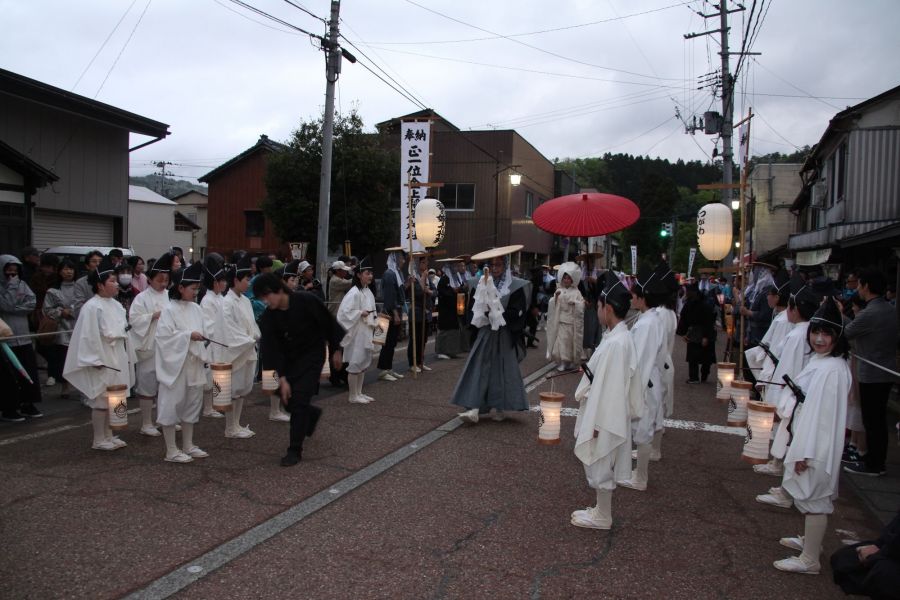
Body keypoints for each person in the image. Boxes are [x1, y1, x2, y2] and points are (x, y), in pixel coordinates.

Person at [772, 297, 851, 575]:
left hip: (816, 445)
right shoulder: (826, 362)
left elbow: (822, 418)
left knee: (814, 496)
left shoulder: (832, 370)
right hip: (811, 439)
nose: (818, 339)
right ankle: (811, 543)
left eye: (826, 334)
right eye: (815, 332)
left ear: (837, 337)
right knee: (811, 496)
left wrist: (805, 451)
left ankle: (810, 559)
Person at [570, 271, 643, 529]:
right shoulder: (616, 337)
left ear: (608, 309)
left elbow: (611, 387)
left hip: (605, 411)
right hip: (606, 408)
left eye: (600, 306)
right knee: (600, 460)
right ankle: (601, 510)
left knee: (600, 460)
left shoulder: (616, 343)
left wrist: (599, 424)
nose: (598, 310)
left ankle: (603, 515)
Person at [255, 273, 344, 466]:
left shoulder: (306, 300)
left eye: (267, 296)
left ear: (279, 291)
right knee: (288, 398)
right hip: (287, 360)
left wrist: (337, 349)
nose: (265, 301)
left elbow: (328, 323)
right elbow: (270, 350)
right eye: (262, 298)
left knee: (300, 398)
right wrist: (282, 378)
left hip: (312, 356)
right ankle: (310, 415)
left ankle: (294, 449)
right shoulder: (269, 317)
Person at [756, 276, 821, 504]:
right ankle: (786, 485)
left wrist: (776, 394)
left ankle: (788, 492)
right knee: (792, 439)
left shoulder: (797, 334)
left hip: (793, 394)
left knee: (792, 439)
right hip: (800, 394)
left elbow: (787, 370)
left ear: (795, 309)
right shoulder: (806, 332)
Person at [452, 245, 531, 424]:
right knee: (478, 366)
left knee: (502, 370)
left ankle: (500, 407)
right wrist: (483, 312)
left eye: (499, 265)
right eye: (492, 265)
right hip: (486, 332)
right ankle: (473, 407)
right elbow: (472, 310)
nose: (495, 269)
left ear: (505, 267)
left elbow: (517, 311)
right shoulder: (480, 284)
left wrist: (496, 311)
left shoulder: (515, 286)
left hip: (503, 334)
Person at [63, 256, 133, 450]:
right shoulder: (91, 307)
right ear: (100, 285)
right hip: (101, 358)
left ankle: (110, 434)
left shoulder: (117, 305)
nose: (117, 284)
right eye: (112, 281)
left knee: (115, 397)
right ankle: (99, 438)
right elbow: (87, 336)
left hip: (116, 355)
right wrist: (93, 359)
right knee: (100, 400)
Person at [843, 268, 899, 477]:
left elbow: (848, 332)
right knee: (877, 420)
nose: (857, 287)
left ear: (866, 286)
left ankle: (874, 464)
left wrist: (840, 315)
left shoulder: (870, 312)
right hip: (885, 369)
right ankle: (874, 459)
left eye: (859, 284)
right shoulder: (889, 309)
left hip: (872, 371)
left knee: (872, 420)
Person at [154, 262, 209, 463]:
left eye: (197, 289)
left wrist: (203, 337)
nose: (195, 292)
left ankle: (188, 444)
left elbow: (203, 330)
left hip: (193, 363)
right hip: (176, 365)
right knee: (171, 404)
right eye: (193, 289)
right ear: (180, 288)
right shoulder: (169, 310)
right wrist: (188, 336)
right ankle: (171, 449)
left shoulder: (196, 308)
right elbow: (163, 338)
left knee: (192, 403)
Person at [618, 267, 667, 492]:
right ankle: (637, 473)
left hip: (644, 380)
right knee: (642, 427)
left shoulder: (647, 323)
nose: (632, 297)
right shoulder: (651, 317)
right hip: (649, 379)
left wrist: (631, 383)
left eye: (635, 294)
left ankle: (641, 477)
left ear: (643, 297)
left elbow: (641, 358)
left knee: (643, 428)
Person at [128, 253, 174, 437]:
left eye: (166, 280)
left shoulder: (170, 296)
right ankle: (146, 423)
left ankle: (164, 418)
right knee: (147, 385)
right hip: (149, 346)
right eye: (159, 280)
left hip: (167, 346)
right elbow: (134, 319)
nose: (163, 284)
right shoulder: (142, 298)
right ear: (150, 279)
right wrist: (152, 316)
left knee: (166, 385)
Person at [221, 253, 265, 433]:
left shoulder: (246, 300)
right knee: (233, 389)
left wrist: (255, 335)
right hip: (237, 350)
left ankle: (237, 423)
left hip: (248, 348)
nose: (249, 283)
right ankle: (230, 426)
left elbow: (252, 324)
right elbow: (228, 329)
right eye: (246, 279)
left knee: (242, 389)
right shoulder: (227, 302)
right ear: (236, 280)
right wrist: (248, 339)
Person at [0, 254, 43, 417]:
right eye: (8, 272)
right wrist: (12, 288)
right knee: (8, 376)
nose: (12, 275)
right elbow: (6, 304)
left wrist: (16, 308)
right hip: (6, 339)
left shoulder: (23, 284)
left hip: (23, 336)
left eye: (15, 271)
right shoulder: (6, 286)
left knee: (29, 371)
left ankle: (28, 403)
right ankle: (9, 407)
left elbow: (31, 303)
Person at [830, 509, 900, 598]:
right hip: (890, 550)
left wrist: (876, 555)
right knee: (842, 557)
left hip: (892, 559)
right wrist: (877, 546)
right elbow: (890, 533)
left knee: (883, 572)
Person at [337, 260, 378, 404]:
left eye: (371, 273)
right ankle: (352, 395)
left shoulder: (367, 291)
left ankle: (359, 393)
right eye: (367, 273)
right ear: (359, 275)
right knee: (356, 362)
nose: (370, 276)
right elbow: (343, 313)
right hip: (357, 331)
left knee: (364, 362)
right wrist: (360, 312)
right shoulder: (354, 292)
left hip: (366, 330)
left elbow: (372, 310)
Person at [652, 265, 679, 462]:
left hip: (659, 363)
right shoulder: (670, 312)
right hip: (666, 362)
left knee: (654, 408)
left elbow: (655, 343)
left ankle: (653, 449)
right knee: (657, 405)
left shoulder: (660, 314)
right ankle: (653, 447)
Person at [42, 259, 78, 399]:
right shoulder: (53, 290)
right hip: (61, 328)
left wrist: (73, 311)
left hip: (77, 325)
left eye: (71, 269)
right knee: (63, 358)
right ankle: (65, 386)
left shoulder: (80, 286)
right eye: (65, 269)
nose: (68, 272)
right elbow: (47, 309)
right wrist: (61, 312)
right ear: (59, 271)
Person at [199, 254, 228, 420]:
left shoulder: (221, 298)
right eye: (221, 281)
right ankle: (208, 407)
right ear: (214, 282)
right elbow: (208, 324)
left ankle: (217, 404)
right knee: (210, 376)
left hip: (221, 341)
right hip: (212, 342)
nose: (224, 284)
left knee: (219, 375)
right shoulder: (207, 300)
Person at [545, 261, 585, 371]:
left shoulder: (577, 292)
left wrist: (576, 304)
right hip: (561, 320)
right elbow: (552, 304)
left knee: (570, 342)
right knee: (561, 342)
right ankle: (563, 362)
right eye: (564, 278)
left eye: (568, 278)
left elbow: (582, 304)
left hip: (572, 322)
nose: (566, 280)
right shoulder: (559, 290)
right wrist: (555, 298)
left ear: (572, 280)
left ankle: (572, 362)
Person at [377, 247, 407, 382]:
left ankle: (388, 368)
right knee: (388, 342)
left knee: (392, 341)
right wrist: (395, 313)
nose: (403, 261)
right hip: (390, 312)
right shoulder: (389, 274)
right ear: (395, 259)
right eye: (401, 258)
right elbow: (390, 296)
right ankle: (383, 370)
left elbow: (398, 292)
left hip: (395, 310)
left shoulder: (396, 273)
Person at [676, 283, 716, 384]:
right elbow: (683, 319)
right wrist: (683, 333)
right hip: (693, 332)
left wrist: (706, 336)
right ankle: (694, 377)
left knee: (706, 357)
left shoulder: (705, 304)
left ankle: (704, 375)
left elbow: (709, 321)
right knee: (693, 357)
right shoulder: (689, 304)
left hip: (704, 330)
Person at [435, 257, 470, 359]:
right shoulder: (445, 278)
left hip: (454, 308)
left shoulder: (456, 277)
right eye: (454, 266)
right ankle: (441, 351)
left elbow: (458, 288)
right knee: (445, 329)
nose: (456, 268)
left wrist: (461, 289)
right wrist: (454, 291)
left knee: (454, 330)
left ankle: (451, 351)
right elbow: (443, 292)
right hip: (446, 309)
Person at [405, 253, 434, 373]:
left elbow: (434, 290)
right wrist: (423, 282)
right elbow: (417, 293)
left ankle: (421, 362)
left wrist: (430, 291)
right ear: (418, 264)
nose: (426, 264)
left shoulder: (426, 276)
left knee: (423, 339)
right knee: (415, 339)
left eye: (426, 262)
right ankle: (413, 363)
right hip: (416, 312)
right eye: (423, 262)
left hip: (426, 312)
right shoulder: (413, 278)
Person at [327, 260, 353, 388]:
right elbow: (350, 283)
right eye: (343, 270)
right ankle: (335, 375)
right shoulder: (335, 280)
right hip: (335, 316)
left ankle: (339, 374)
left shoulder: (336, 279)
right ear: (338, 271)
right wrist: (356, 273)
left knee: (340, 347)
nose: (345, 272)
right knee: (336, 347)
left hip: (339, 316)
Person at [73, 250, 103, 319]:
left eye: (100, 262)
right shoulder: (80, 283)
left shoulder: (109, 282)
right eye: (94, 261)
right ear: (87, 266)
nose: (98, 264)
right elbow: (78, 309)